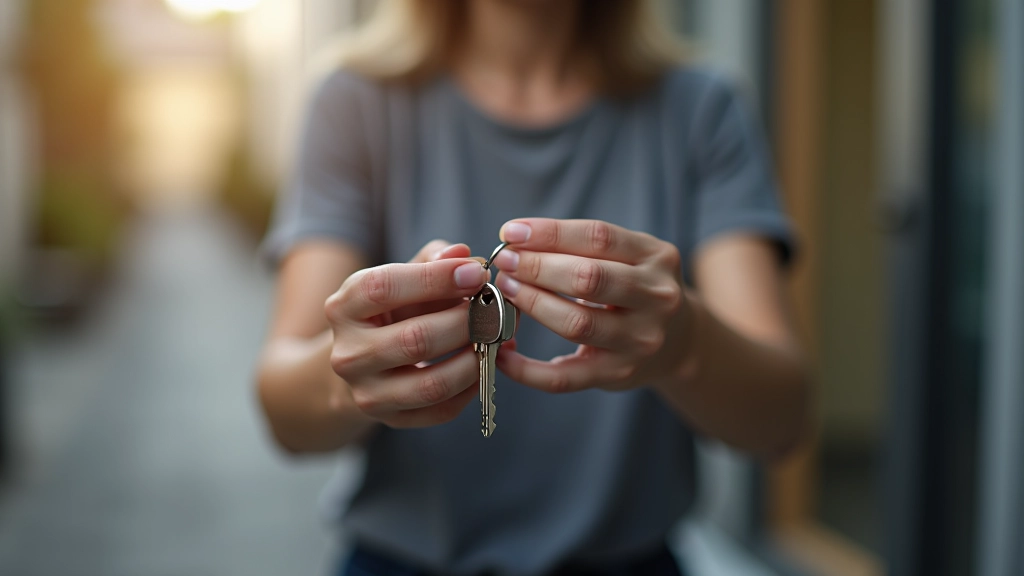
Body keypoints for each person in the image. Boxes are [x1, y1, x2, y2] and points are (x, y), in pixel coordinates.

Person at [256, 1, 811, 574]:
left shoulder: (700, 106)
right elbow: (284, 413)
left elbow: (782, 419)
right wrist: (351, 371)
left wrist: (687, 342)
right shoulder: (356, 101)